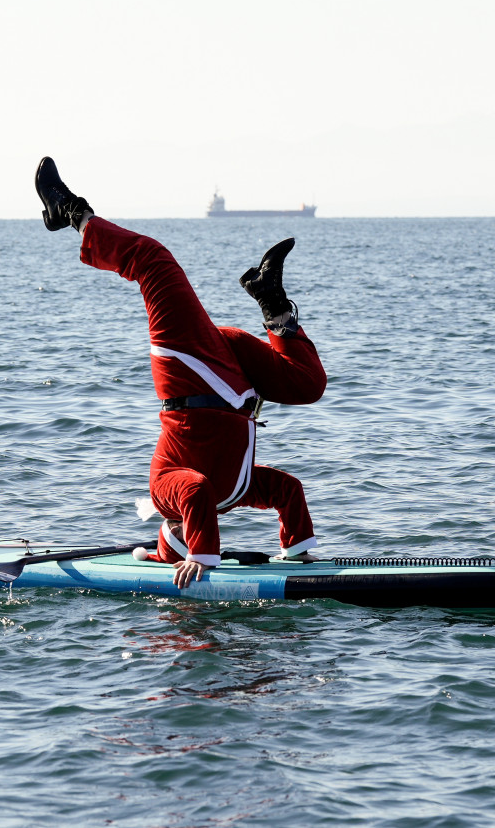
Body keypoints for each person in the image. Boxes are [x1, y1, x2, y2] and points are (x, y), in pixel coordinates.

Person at [34, 156, 327, 588]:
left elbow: (193, 496)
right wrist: (295, 554)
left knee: (152, 262)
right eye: (185, 539)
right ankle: (274, 306)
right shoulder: (216, 495)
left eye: (180, 537)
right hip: (221, 386)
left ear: (174, 529)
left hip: (187, 370)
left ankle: (70, 214)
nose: (184, 533)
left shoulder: (176, 492)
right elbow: (257, 494)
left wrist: (201, 554)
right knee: (306, 387)